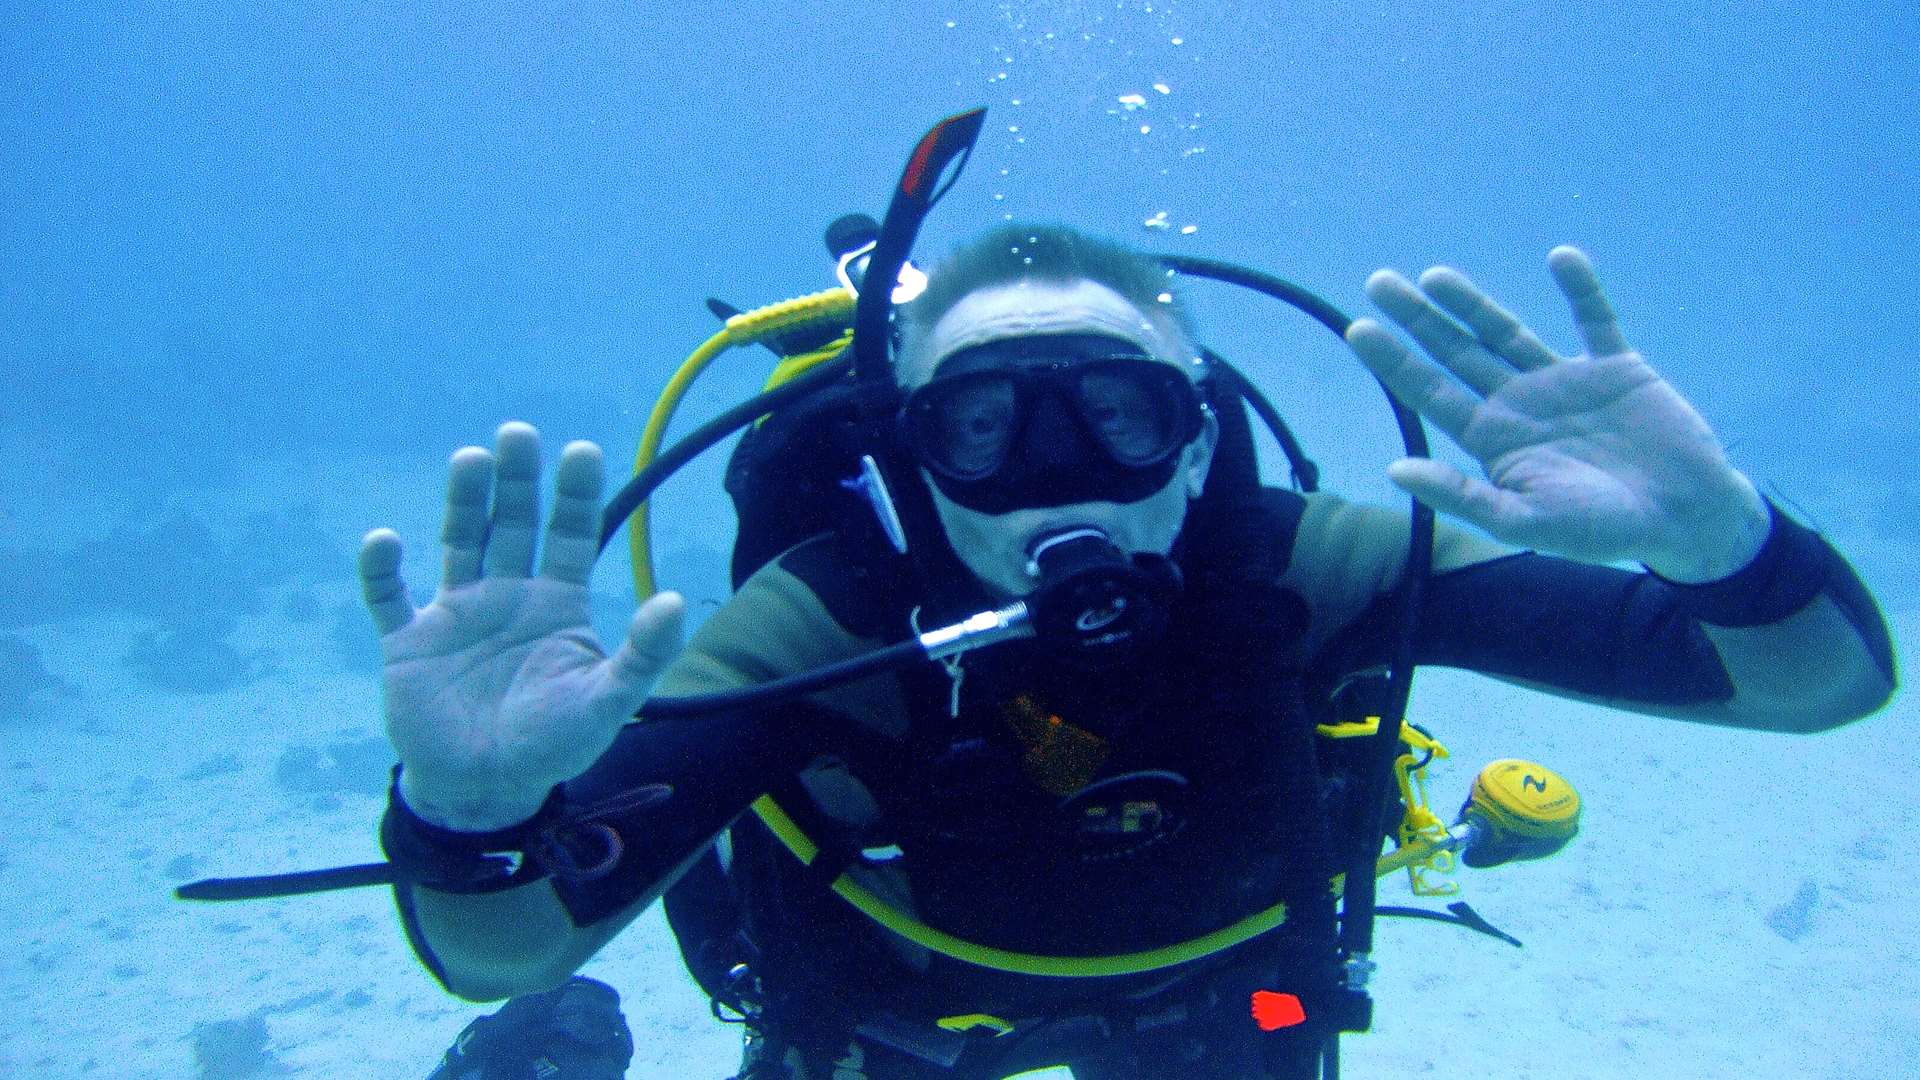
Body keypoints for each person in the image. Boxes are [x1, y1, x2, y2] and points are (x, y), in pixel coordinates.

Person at [359, 223, 1896, 1079]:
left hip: (1225, 1013)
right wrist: (471, 814)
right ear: (915, 447)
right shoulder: (831, 620)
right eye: (984, 421)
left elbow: (1812, 684)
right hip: (891, 1025)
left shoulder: (1308, 560)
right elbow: (501, 949)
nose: (1064, 472)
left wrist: (1730, 549)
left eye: (1117, 411)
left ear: (1195, 433)